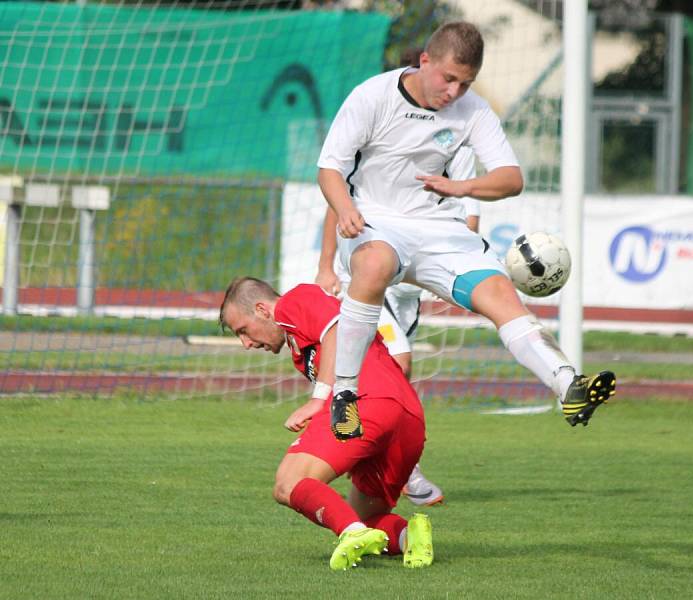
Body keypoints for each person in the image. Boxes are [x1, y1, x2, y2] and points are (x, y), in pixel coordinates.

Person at [317, 21, 616, 439]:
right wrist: (345, 207)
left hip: (441, 229)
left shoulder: (473, 109)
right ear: (425, 62)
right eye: (449, 78)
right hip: (376, 221)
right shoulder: (373, 96)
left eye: (466, 82)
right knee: (374, 265)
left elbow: (511, 178)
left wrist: (463, 187)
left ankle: (567, 383)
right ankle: (344, 395)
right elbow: (330, 166)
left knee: (499, 292)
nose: (455, 91)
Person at [219, 276, 434, 571]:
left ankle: (353, 535)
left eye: (242, 330)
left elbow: (338, 330)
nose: (245, 344)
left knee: (288, 482)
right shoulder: (300, 343)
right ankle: (411, 538)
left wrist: (319, 399)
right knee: (363, 515)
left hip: (365, 400)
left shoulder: (294, 301)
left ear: (262, 309)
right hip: (407, 416)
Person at [316, 144, 480, 507]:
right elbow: (339, 204)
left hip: (410, 291)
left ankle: (379, 457)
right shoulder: (386, 145)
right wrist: (326, 266)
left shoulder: (459, 151)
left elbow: (470, 222)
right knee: (399, 361)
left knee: (395, 375)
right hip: (369, 279)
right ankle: (398, 463)